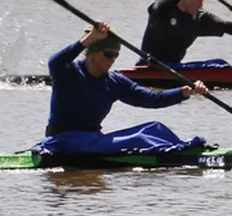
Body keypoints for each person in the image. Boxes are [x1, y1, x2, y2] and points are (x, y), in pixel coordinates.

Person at [42, 22, 207, 145]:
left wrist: (185, 92)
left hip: (93, 140)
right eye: (108, 55)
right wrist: (87, 39)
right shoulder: (68, 73)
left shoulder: (114, 82)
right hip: (62, 141)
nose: (112, 60)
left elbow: (151, 98)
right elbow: (54, 62)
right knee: (140, 138)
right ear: (92, 52)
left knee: (154, 128)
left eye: (116, 56)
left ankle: (180, 148)